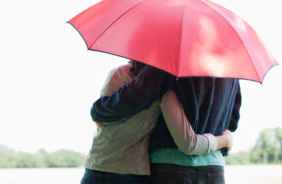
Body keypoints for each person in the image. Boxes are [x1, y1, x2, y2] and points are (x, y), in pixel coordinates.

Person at [81, 61, 234, 184]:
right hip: (214, 167)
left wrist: (97, 110)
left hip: (101, 167)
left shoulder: (120, 74)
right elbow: (232, 122)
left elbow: (132, 99)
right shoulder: (230, 70)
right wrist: (225, 141)